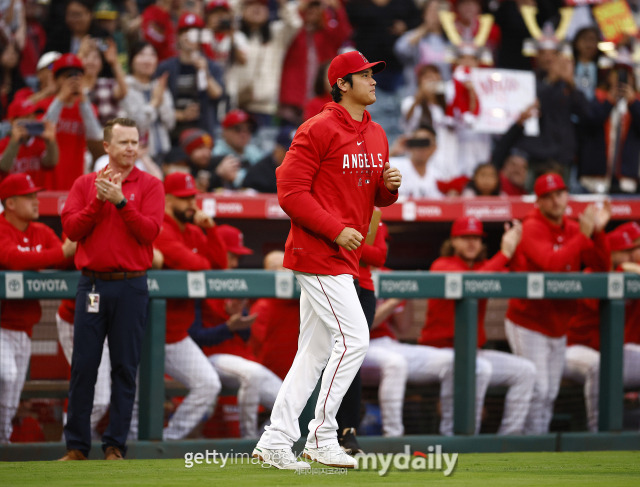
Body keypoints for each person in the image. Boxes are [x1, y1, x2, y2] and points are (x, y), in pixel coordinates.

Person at [253, 50, 401, 470]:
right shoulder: (316, 128)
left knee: (314, 354)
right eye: (365, 74)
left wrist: (387, 189)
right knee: (354, 340)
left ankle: (276, 439)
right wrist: (335, 229)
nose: (373, 80)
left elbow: (370, 197)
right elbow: (291, 193)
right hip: (318, 251)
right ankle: (322, 434)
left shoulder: (377, 133)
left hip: (344, 255)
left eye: (374, 74)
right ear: (342, 84)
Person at [59, 118, 164, 461]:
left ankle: (115, 445)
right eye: (123, 142)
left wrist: (121, 201)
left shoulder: (150, 185)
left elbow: (149, 232)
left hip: (131, 285)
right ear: (106, 147)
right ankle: (76, 446)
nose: (131, 148)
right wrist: (99, 202)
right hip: (92, 283)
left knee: (125, 367)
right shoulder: (85, 184)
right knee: (84, 366)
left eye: (134, 142)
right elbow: (72, 230)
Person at [505, 173, 610, 435]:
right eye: (548, 196)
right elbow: (550, 266)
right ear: (538, 202)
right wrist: (583, 236)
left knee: (549, 392)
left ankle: (536, 445)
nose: (555, 200)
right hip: (528, 321)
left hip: (559, 323)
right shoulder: (532, 226)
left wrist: (597, 232)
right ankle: (514, 442)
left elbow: (601, 265)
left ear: (567, 196)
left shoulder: (574, 228)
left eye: (559, 194)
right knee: (537, 388)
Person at [130, 172, 226, 440]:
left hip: (175, 335)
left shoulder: (194, 230)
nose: (191, 204)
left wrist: (211, 229)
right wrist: (202, 263)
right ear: (168, 200)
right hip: (144, 332)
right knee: (136, 398)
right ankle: (129, 453)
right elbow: (194, 264)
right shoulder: (158, 227)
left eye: (193, 197)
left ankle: (170, 439)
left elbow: (219, 266)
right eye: (184, 199)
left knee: (208, 384)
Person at [420, 216, 537, 435]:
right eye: (465, 238)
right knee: (479, 369)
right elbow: (470, 282)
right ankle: (461, 436)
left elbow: (518, 276)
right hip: (440, 352)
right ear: (453, 241)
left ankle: (509, 438)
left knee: (526, 371)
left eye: (476, 238)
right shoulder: (442, 265)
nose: (472, 243)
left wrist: (516, 247)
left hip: (473, 353)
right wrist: (504, 253)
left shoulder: (485, 266)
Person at [0, 173, 76, 444]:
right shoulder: (1, 228)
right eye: (29, 196)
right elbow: (12, 259)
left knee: (11, 398)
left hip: (25, 330)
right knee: (6, 375)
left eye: (36, 195)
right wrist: (62, 253)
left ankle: (3, 447)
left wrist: (75, 248)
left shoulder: (42, 231)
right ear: (10, 203)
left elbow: (64, 260)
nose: (36, 201)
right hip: (1, 327)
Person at [189, 224, 283, 439]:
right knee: (252, 374)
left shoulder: (237, 285)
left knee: (291, 405)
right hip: (209, 360)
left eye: (237, 258)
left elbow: (247, 338)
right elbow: (195, 338)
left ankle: (261, 441)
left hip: (240, 359)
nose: (234, 264)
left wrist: (238, 323)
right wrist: (227, 327)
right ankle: (248, 441)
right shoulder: (200, 281)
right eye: (230, 256)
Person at [156, 12, 225, 141]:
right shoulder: (165, 68)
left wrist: (204, 71)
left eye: (194, 32)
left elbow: (218, 95)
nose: (188, 36)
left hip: (203, 135)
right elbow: (156, 103)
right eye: (185, 31)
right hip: (172, 136)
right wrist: (181, 115)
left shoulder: (212, 66)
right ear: (178, 36)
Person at [42, 53, 103, 191]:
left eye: (77, 76)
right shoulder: (44, 105)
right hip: (49, 178)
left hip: (75, 179)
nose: (73, 81)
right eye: (67, 76)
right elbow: (43, 130)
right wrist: (60, 99)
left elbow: (95, 135)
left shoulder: (86, 107)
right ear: (56, 79)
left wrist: (83, 101)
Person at [249, 250, 300, 380]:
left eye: (284, 267)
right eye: (273, 268)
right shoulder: (261, 306)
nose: (279, 271)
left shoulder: (305, 301)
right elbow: (257, 349)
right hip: (270, 376)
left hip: (301, 373)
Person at [0, 97, 58, 187]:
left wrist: (50, 142)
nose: (31, 120)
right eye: (26, 117)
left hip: (37, 194)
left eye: (33, 116)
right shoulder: (3, 143)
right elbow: (4, 167)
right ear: (12, 121)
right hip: (12, 197)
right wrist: (14, 142)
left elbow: (51, 162)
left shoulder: (40, 142)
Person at [389, 124, 444, 199]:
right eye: (417, 142)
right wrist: (393, 151)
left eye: (425, 143)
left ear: (434, 147)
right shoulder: (395, 166)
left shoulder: (438, 176)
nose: (420, 148)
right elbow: (373, 172)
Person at [242, 125, 294, 193]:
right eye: (288, 151)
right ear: (276, 149)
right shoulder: (257, 173)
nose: (293, 156)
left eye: (297, 152)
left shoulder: (303, 170)